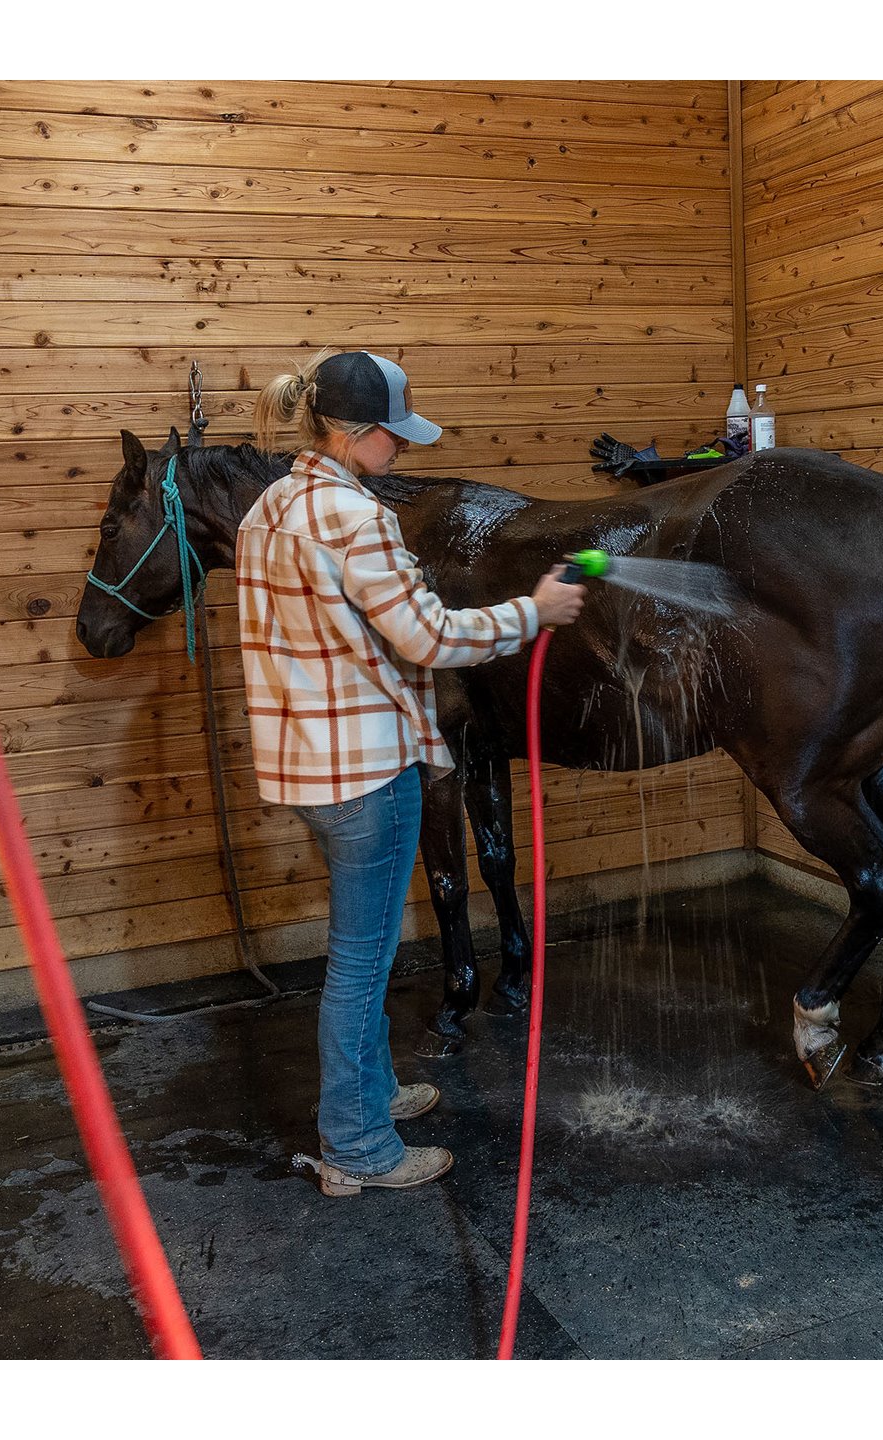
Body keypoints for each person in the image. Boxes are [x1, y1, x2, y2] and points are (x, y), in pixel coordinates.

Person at [235, 349, 586, 1198]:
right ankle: (358, 1145)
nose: (403, 451)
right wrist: (532, 614)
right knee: (362, 963)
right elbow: (427, 638)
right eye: (395, 436)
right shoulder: (357, 519)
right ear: (354, 433)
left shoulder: (269, 510)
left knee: (364, 954)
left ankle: (374, 1093)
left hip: (311, 775)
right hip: (370, 774)